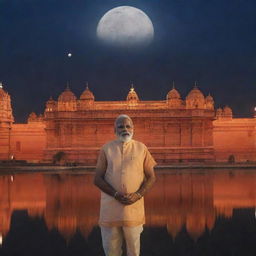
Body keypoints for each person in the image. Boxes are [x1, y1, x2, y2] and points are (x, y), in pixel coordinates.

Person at [94, 114, 157, 256]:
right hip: (110, 209)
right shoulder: (106, 149)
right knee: (111, 251)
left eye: (128, 126)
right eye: (121, 126)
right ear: (114, 129)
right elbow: (97, 179)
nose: (125, 129)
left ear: (133, 128)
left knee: (134, 251)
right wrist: (115, 194)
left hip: (133, 209)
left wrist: (138, 194)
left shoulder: (141, 148)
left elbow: (151, 177)